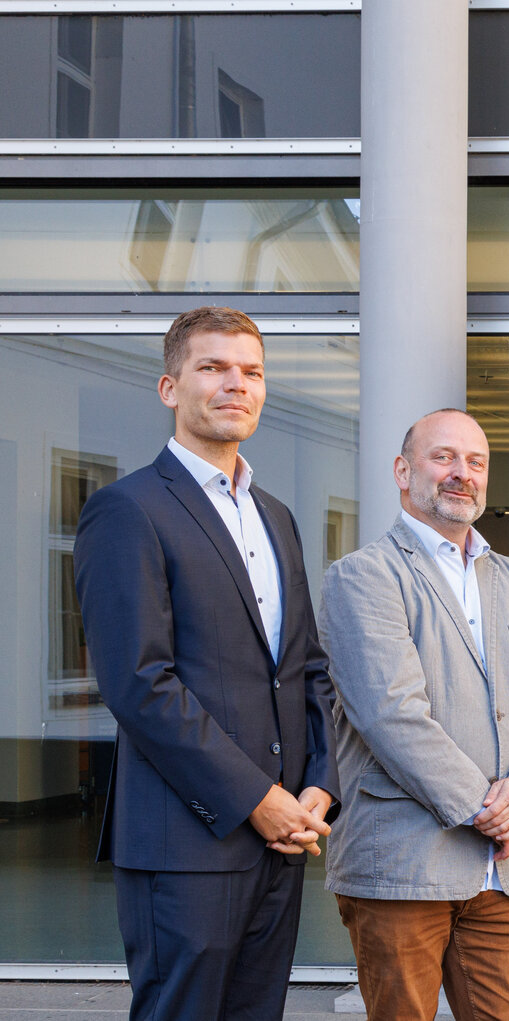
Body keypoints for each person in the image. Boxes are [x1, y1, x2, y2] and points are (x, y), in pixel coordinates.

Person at [72, 305, 337, 1021]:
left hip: (283, 839)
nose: (235, 384)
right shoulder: (127, 510)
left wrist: (319, 784)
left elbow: (305, 665)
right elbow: (140, 683)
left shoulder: (275, 515)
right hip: (187, 841)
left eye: (251, 371)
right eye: (213, 367)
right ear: (170, 388)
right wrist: (259, 798)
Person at [320, 408, 509, 1021]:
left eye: (476, 462)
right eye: (444, 458)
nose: (461, 474)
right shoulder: (362, 576)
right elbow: (391, 715)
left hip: (500, 874)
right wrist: (488, 808)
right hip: (404, 865)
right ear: (402, 471)